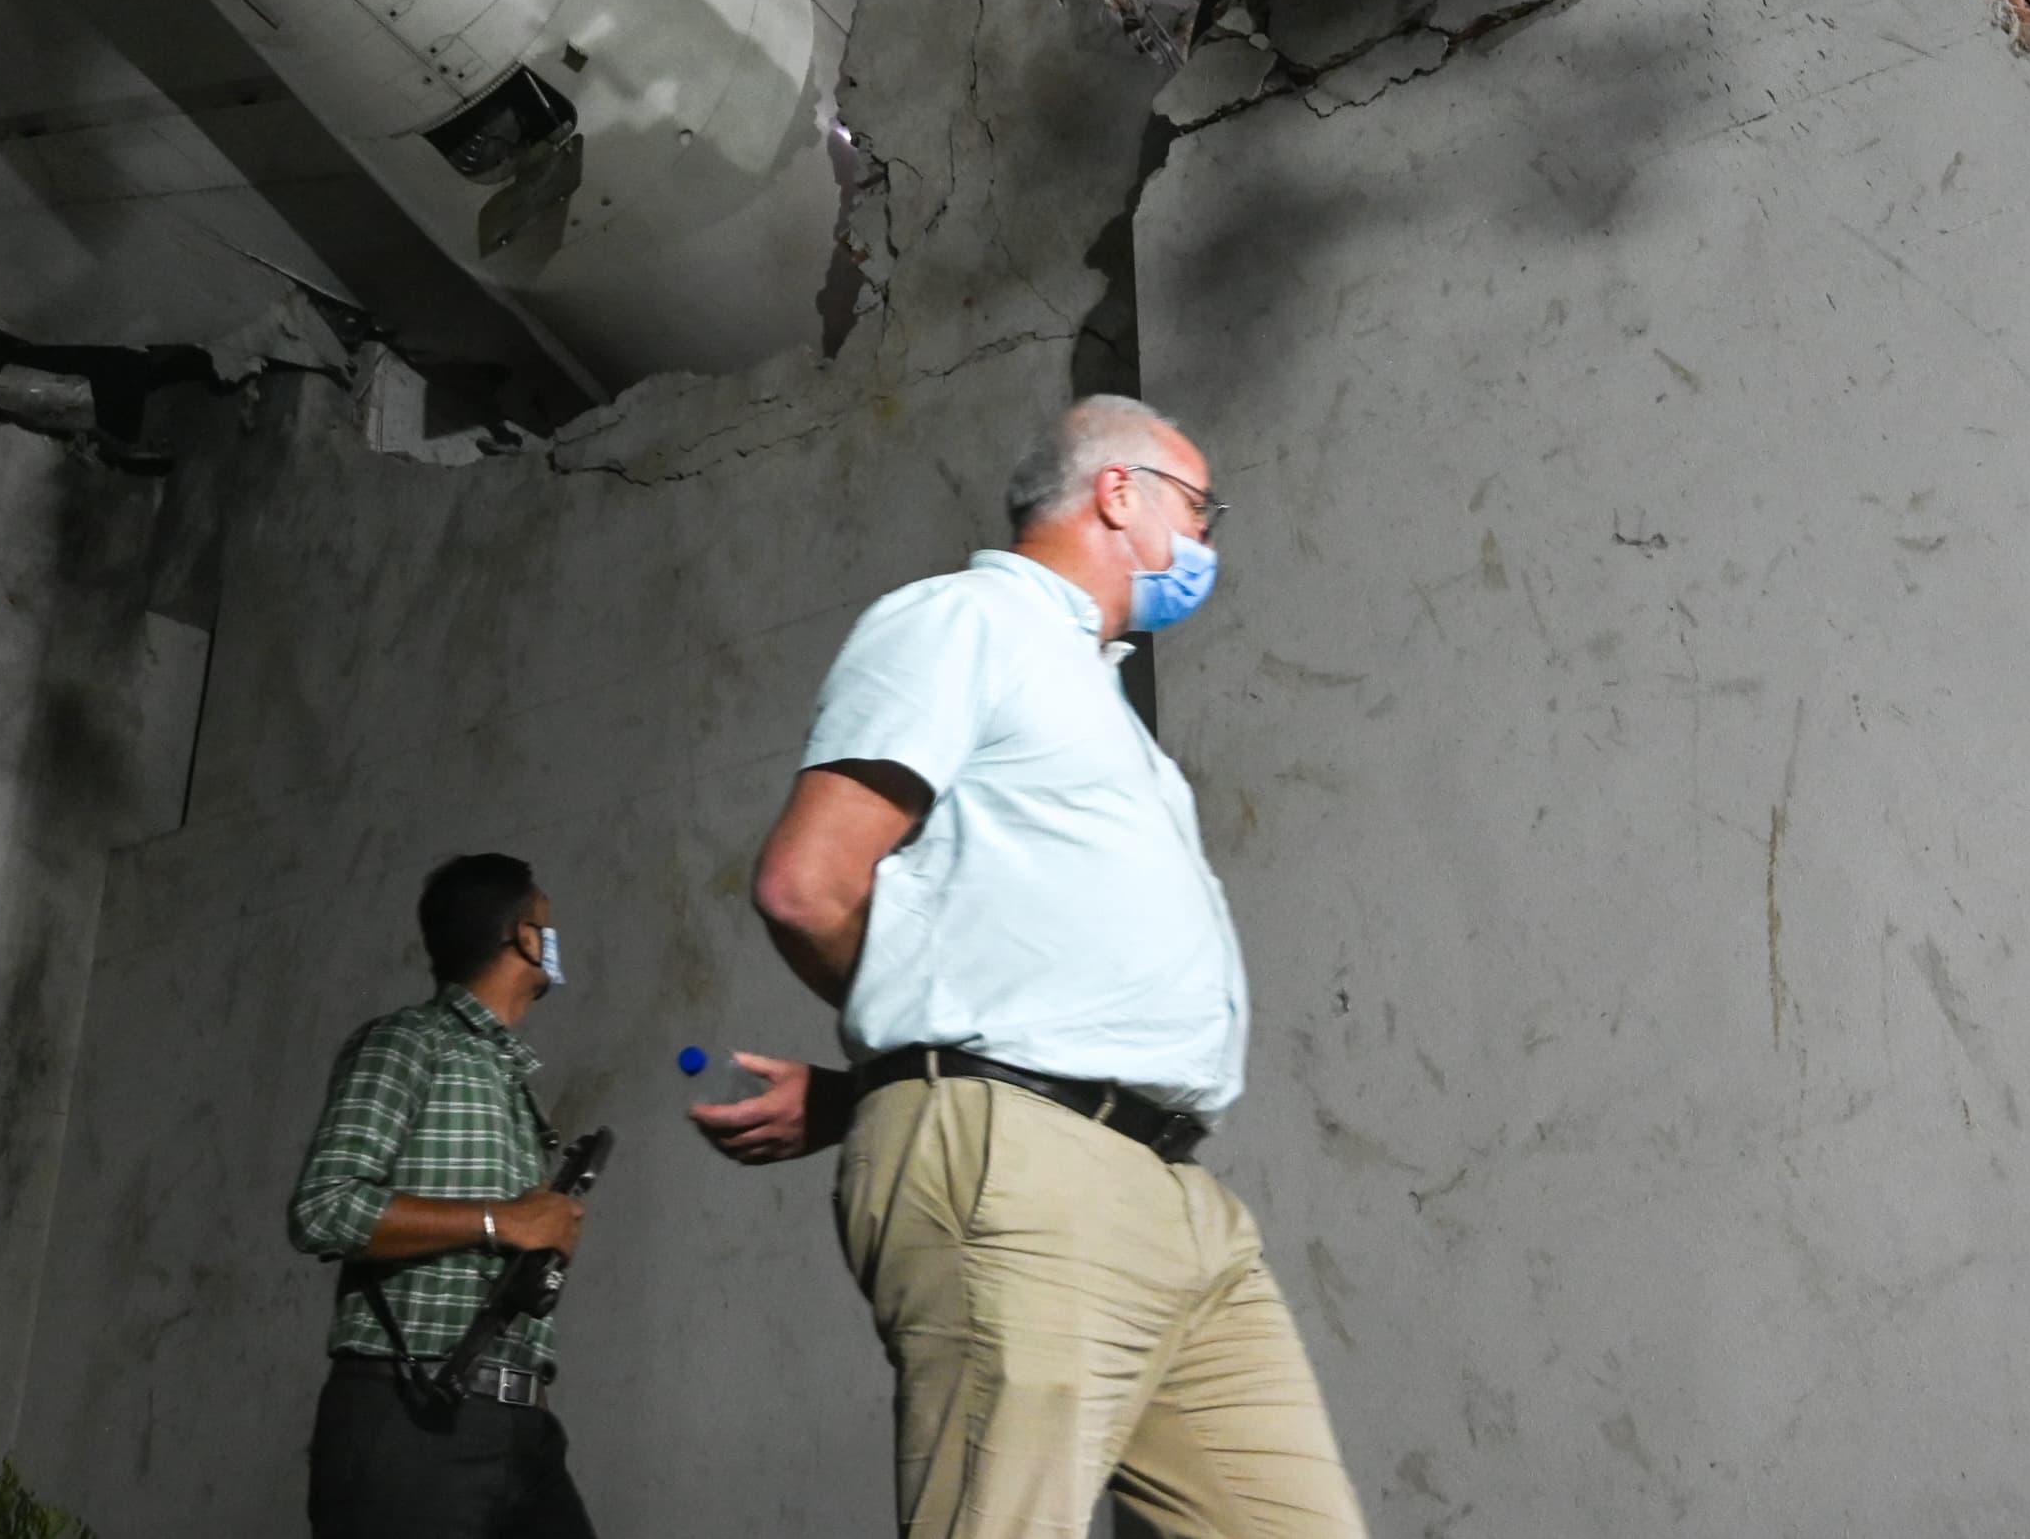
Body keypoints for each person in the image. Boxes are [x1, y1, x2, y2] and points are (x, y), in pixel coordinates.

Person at [691, 396, 1370, 1539]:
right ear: (1117, 491)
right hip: (1030, 1173)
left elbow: (1016, 954)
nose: (1205, 542)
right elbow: (807, 882)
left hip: (1170, 1194)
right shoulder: (965, 620)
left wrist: (885, 1084)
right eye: (1198, 510)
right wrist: (924, 1082)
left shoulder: (1089, 690)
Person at [284, 853, 598, 1539]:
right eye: (546, 926)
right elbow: (323, 1207)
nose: (554, 943)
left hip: (518, 1428)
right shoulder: (408, 1041)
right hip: (411, 1418)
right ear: (524, 937)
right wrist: (503, 1220)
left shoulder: (511, 1081)